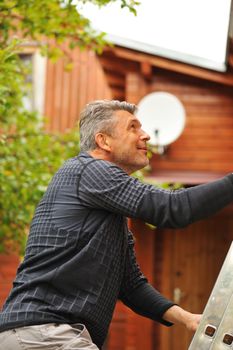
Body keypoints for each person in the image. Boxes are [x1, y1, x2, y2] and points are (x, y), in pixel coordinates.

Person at [0, 100, 233, 350]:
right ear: (104, 141)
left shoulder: (107, 208)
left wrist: (187, 319)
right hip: (43, 333)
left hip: (45, 335)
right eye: (133, 127)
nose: (144, 134)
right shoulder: (88, 170)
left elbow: (131, 286)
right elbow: (171, 208)